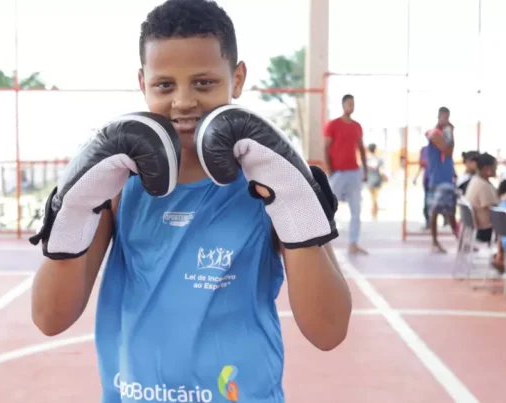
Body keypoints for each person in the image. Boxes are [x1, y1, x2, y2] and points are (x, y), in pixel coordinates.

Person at [28, 1, 353, 402]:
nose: (183, 102)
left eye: (204, 83)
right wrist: (72, 206)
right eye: (165, 85)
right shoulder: (116, 185)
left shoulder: (270, 181)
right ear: (142, 82)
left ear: (237, 78)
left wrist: (296, 205)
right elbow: (49, 318)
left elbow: (329, 331)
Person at [323, 94, 368, 254]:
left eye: (353, 104)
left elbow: (361, 149)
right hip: (338, 173)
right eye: (349, 104)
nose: (351, 106)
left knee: (356, 210)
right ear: (343, 105)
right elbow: (326, 148)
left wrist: (365, 170)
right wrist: (329, 170)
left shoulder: (357, 126)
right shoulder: (333, 125)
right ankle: (321, 242)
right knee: (327, 207)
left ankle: (353, 243)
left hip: (354, 173)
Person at [425, 106, 458, 253]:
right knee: (435, 211)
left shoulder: (445, 134)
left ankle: (460, 240)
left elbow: (449, 153)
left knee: (450, 212)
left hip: (447, 177)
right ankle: (434, 242)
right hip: (437, 179)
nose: (446, 121)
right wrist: (450, 132)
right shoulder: (434, 133)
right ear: (439, 117)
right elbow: (448, 150)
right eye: (444, 117)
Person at [463, 153, 498, 246]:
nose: (496, 170)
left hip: (475, 227)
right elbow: (492, 209)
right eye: (495, 167)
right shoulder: (483, 186)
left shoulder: (475, 180)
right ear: (487, 169)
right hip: (485, 230)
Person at [365, 143, 386, 220]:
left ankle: (373, 213)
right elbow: (381, 170)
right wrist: (384, 177)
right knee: (375, 198)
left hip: (369, 180)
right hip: (377, 179)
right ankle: (374, 213)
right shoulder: (379, 159)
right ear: (375, 149)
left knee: (372, 198)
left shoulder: (366, 159)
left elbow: (364, 169)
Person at [413, 145, 430, 229]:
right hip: (428, 180)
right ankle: (428, 222)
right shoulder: (424, 149)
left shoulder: (441, 148)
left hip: (435, 180)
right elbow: (421, 165)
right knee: (427, 201)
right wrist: (416, 177)